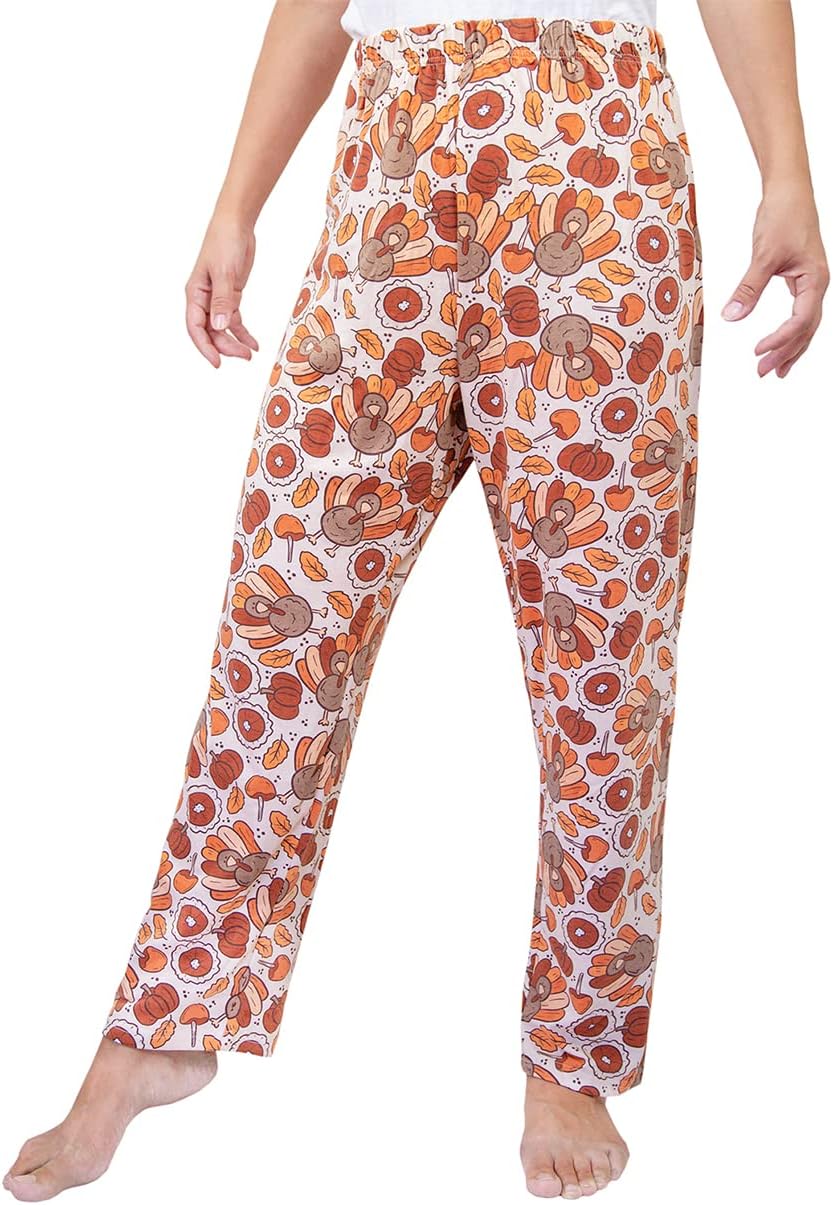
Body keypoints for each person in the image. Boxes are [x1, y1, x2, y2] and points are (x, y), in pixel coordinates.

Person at [4, 0, 827, 1200]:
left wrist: (785, 170)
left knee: (602, 644)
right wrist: (237, 203)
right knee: (284, 608)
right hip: (389, 147)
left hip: (589, 143)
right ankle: (169, 1017)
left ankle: (572, 1057)